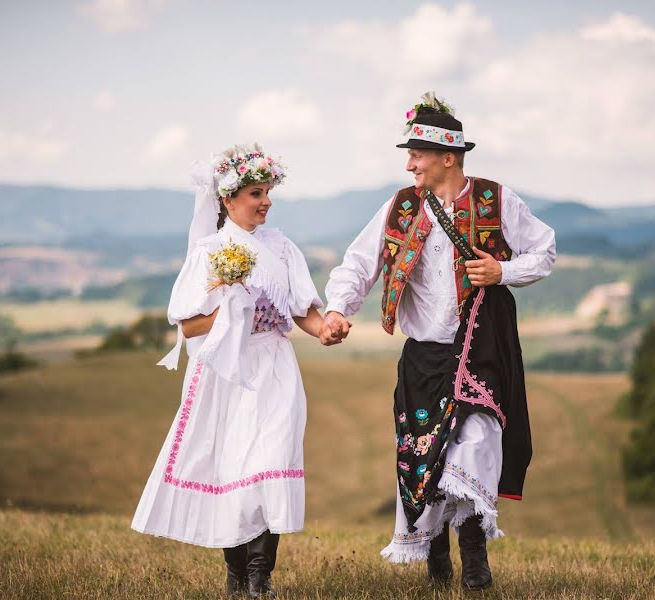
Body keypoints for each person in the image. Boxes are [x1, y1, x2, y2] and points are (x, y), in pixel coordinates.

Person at [322, 92, 556, 590]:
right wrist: (340, 308)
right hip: (423, 354)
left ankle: (474, 554)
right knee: (424, 453)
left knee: (475, 442)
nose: (410, 164)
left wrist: (503, 270)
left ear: (448, 156)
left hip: (481, 345)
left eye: (418, 154)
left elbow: (545, 249)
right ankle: (434, 553)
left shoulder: (496, 199)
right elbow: (361, 263)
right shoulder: (401, 206)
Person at [132, 143, 334, 599]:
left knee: (271, 459)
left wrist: (324, 329)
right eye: (254, 193)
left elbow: (302, 308)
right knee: (230, 468)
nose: (265, 201)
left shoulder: (281, 248)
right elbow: (187, 323)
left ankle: (261, 577)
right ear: (227, 200)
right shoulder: (211, 251)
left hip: (274, 364)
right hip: (225, 370)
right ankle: (236, 575)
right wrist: (231, 309)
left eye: (267, 192)